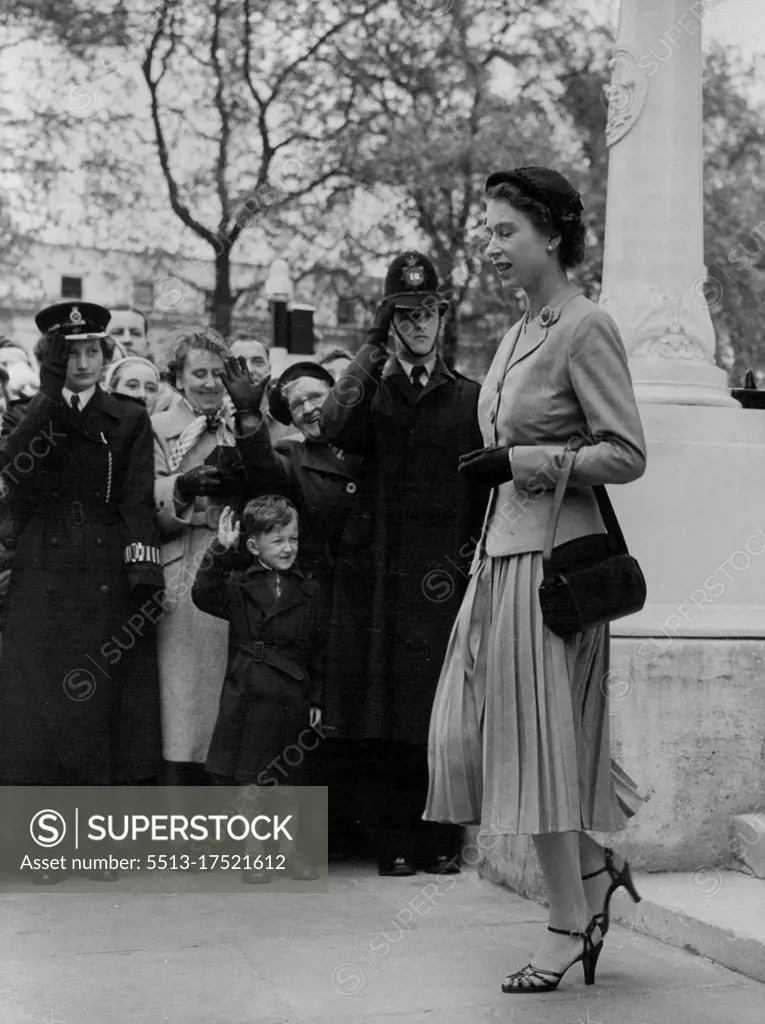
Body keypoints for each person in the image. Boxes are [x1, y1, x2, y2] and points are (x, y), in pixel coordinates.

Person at [424, 167, 647, 994]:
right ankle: (593, 876)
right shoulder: (520, 330)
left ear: (550, 234)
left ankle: (568, 921)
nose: (488, 247)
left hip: (553, 571)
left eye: (502, 232)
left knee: (537, 753)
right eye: (486, 232)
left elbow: (624, 451)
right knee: (482, 738)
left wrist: (522, 460)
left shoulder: (586, 327)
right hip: (500, 561)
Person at [320, 251, 488, 877]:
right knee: (380, 710)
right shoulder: (370, 392)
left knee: (435, 709)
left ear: (442, 318)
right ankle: (391, 840)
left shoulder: (469, 397)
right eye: (404, 315)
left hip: (444, 576)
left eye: (427, 313)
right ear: (389, 322)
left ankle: (437, 837)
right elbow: (335, 424)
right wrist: (368, 347)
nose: (419, 326)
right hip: (379, 581)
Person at [0, 301, 164, 790]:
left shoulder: (128, 419)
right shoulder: (33, 416)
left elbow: (136, 501)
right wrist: (48, 397)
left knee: (95, 708)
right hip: (41, 576)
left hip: (102, 577)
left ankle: (93, 839)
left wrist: (142, 573)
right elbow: (13, 474)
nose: (83, 363)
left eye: (92, 351)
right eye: (69, 354)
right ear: (51, 359)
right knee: (37, 712)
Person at [192, 497, 324, 882]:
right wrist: (220, 549)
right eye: (277, 541)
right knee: (251, 781)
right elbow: (203, 594)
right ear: (253, 546)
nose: (288, 548)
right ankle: (254, 855)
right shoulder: (237, 584)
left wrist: (316, 697)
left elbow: (318, 648)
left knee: (289, 783)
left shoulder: (310, 589)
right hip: (249, 690)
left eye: (293, 539)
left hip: (291, 695)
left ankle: (289, 852)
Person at [152, 328, 240, 786]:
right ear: (179, 378)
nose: (209, 383)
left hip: (234, 565)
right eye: (198, 373)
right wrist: (181, 487)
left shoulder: (240, 424)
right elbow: (140, 498)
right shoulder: (159, 428)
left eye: (217, 374)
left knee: (230, 699)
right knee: (183, 701)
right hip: (184, 570)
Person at [229, 334, 297, 443]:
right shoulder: (216, 418)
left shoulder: (291, 417)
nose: (249, 370)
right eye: (239, 363)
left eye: (257, 362)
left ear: (269, 369)